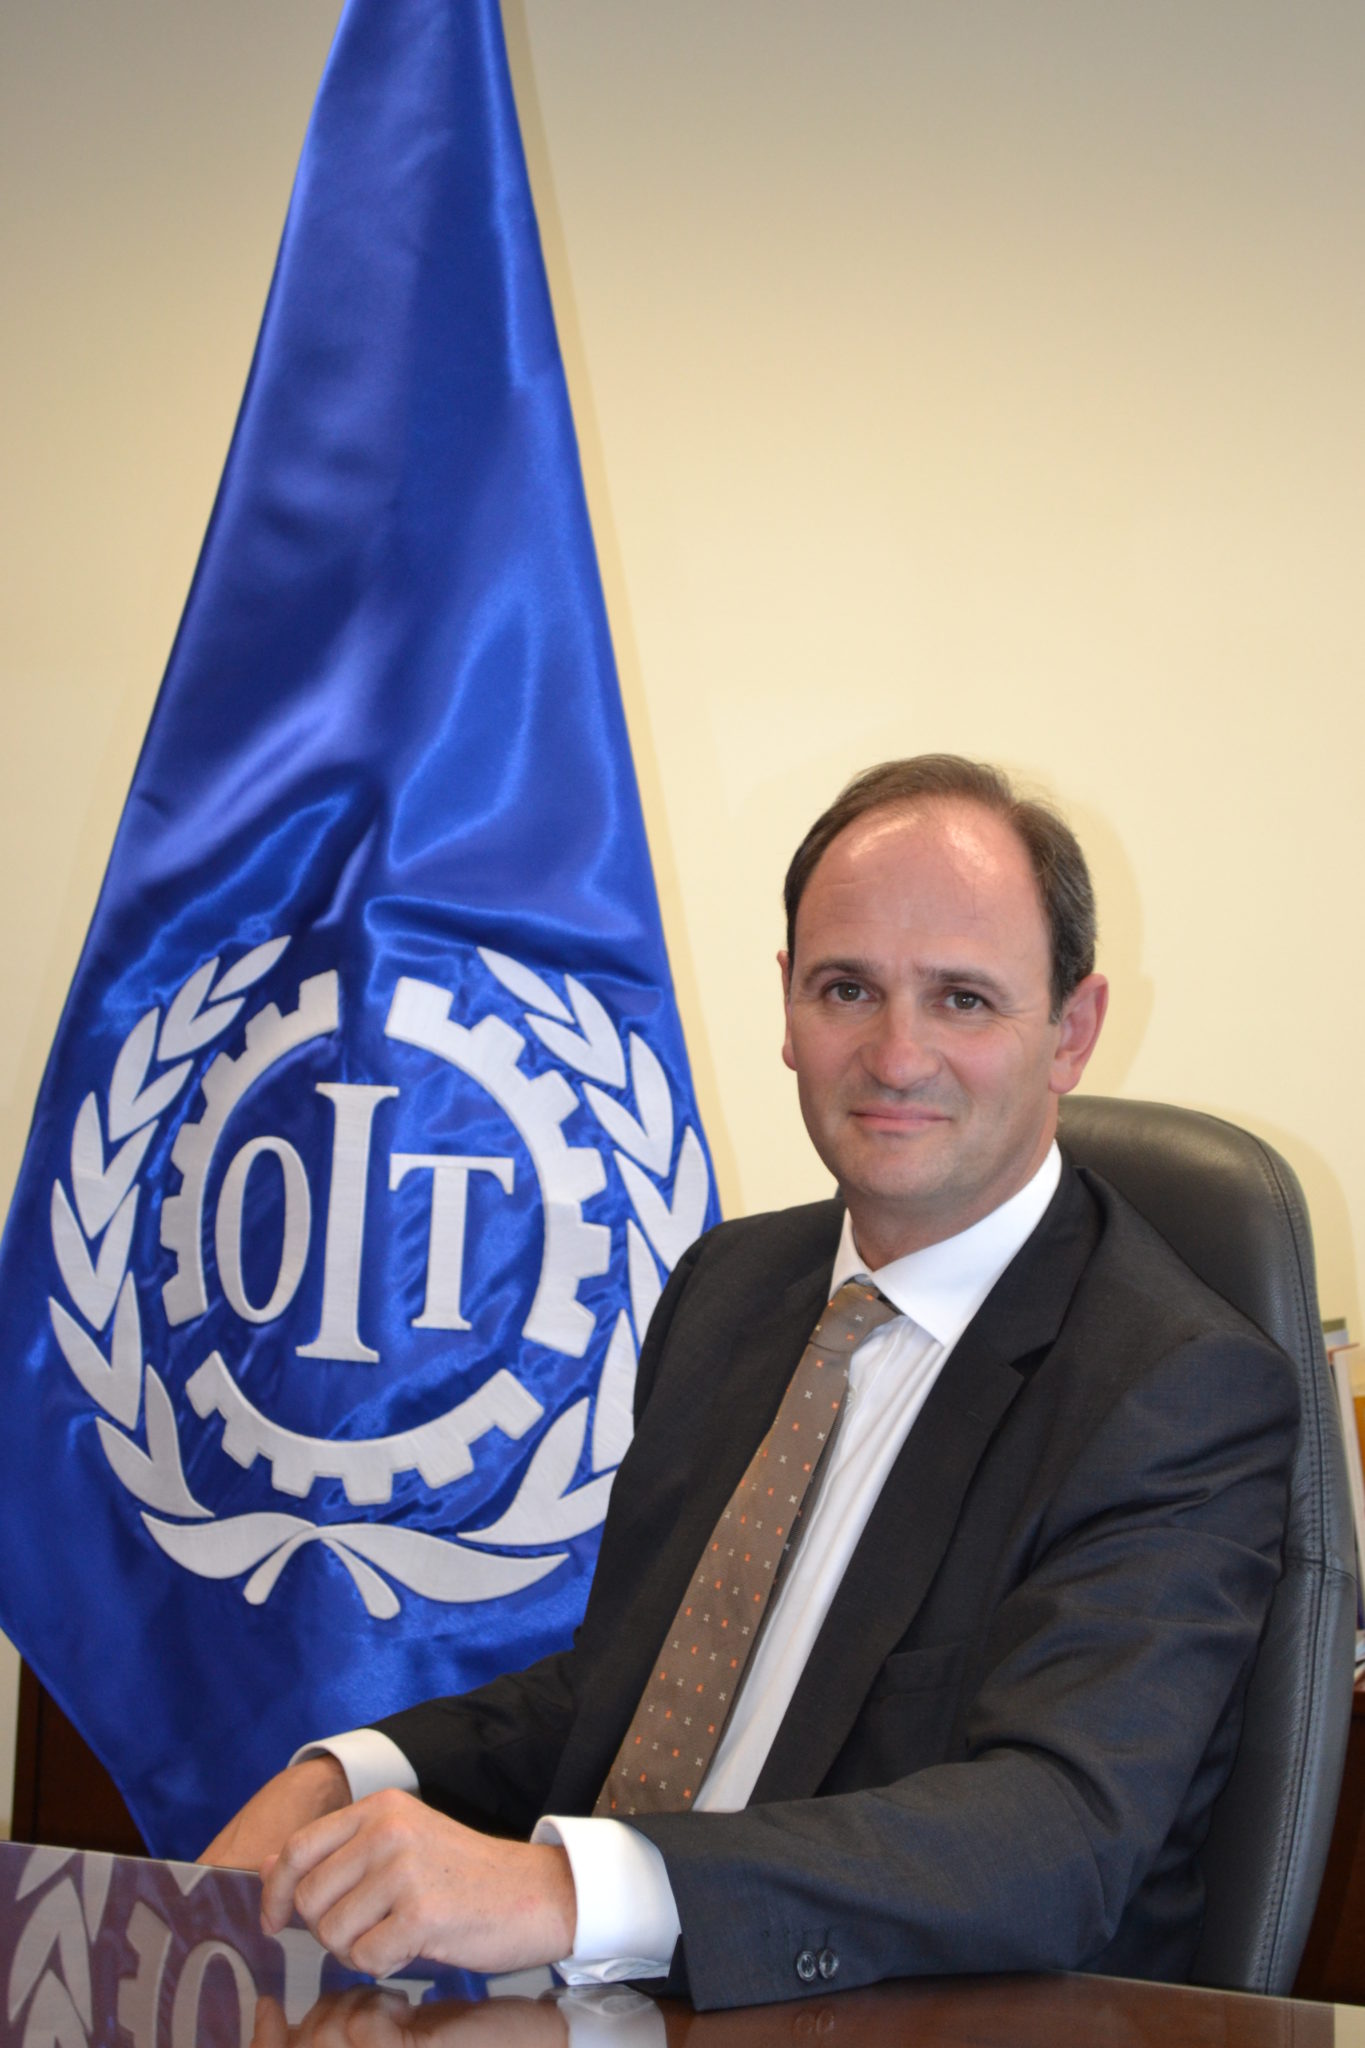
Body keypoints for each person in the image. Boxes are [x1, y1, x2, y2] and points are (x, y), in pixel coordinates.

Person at [203, 755, 1296, 2010]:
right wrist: (355, 1773)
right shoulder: (732, 1286)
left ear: (1073, 1030)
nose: (897, 1054)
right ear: (786, 1004)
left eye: (963, 998)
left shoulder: (1177, 1388)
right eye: (848, 988)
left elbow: (1058, 1832)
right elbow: (623, 1686)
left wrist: (566, 1889)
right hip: (613, 2002)